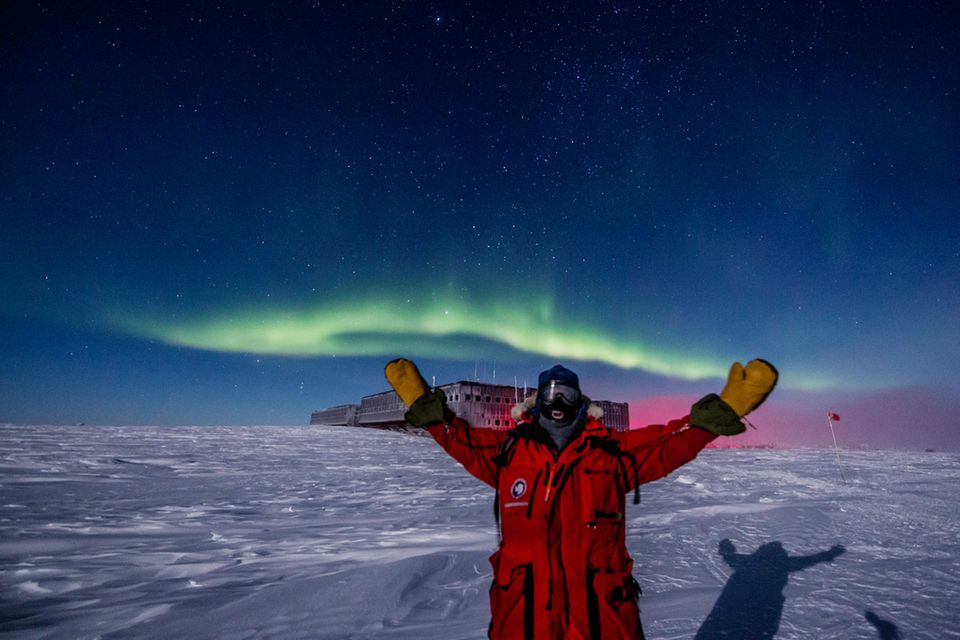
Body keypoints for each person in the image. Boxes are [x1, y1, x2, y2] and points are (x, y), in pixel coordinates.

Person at [384, 357, 778, 640]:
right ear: (537, 400)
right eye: (551, 394)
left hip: (600, 617)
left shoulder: (609, 452)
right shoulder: (508, 453)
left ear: (580, 400)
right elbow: (461, 440)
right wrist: (429, 410)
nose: (558, 403)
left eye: (567, 394)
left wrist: (717, 415)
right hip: (522, 617)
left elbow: (668, 443)